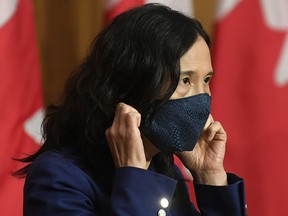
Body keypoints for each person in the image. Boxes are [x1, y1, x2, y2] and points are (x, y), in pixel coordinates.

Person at [15, 3, 246, 216]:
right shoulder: (58, 177)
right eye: (185, 80)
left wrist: (210, 176)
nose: (202, 97)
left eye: (206, 79)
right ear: (133, 83)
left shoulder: (164, 168)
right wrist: (135, 179)